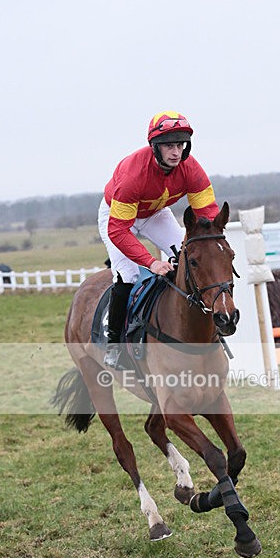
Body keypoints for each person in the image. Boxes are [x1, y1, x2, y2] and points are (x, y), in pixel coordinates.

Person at [98, 110, 219, 368]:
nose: (176, 152)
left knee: (188, 258)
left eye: (180, 145)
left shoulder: (192, 169)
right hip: (118, 218)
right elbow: (118, 231)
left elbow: (208, 216)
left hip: (155, 213)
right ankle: (113, 345)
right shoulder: (133, 175)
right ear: (154, 147)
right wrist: (152, 262)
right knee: (129, 274)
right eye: (168, 146)